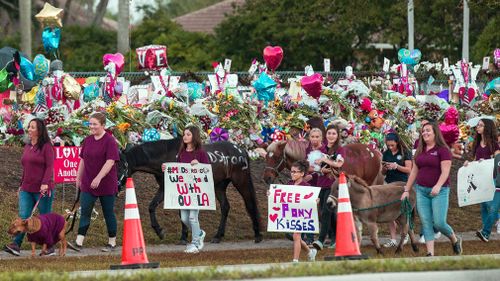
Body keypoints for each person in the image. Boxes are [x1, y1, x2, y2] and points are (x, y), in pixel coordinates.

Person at [401, 122, 462, 256]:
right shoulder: (420, 151)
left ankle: (454, 239)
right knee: (426, 221)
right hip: (421, 191)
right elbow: (414, 172)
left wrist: (438, 185)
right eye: (423, 131)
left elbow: (445, 172)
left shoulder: (443, 150)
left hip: (440, 191)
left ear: (435, 133)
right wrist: (406, 190)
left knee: (439, 223)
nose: (425, 133)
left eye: (428, 130)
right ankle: (430, 254)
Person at [67, 112, 120, 252]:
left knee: (108, 212)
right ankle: (79, 241)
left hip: (106, 183)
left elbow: (110, 162)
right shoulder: (88, 140)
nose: (92, 127)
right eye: (90, 124)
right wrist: (78, 177)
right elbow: (82, 160)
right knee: (85, 211)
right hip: (88, 182)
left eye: (95, 124)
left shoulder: (110, 141)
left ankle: (112, 242)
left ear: (103, 125)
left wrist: (99, 177)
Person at [4, 118, 55, 256]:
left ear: (40, 131)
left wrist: (45, 183)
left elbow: (50, 166)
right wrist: (21, 185)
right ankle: (16, 244)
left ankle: (49, 246)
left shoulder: (46, 147)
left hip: (42, 189)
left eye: (33, 127)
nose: (29, 129)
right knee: (24, 216)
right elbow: (26, 168)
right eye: (29, 127)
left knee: (44, 218)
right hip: (26, 188)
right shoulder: (27, 145)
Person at [163, 125, 209, 253]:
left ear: (194, 136)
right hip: (184, 192)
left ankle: (195, 244)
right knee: (184, 218)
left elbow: (207, 170)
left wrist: (199, 165)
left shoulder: (200, 153)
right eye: (184, 134)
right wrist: (167, 168)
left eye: (188, 134)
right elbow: (177, 169)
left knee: (193, 217)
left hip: (196, 191)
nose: (185, 137)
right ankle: (199, 233)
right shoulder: (181, 153)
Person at [464, 119, 500, 242]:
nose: (477, 127)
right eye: (477, 125)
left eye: (480, 125)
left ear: (487, 128)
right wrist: (469, 163)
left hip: (492, 178)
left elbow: (497, 161)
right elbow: (475, 160)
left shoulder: (494, 144)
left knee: (491, 206)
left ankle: (489, 227)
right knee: (484, 206)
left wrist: (487, 161)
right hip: (480, 178)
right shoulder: (477, 144)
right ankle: (485, 234)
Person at [275, 160, 317, 262]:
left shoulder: (306, 187)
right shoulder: (289, 184)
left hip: (301, 215)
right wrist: (271, 194)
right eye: (291, 171)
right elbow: (282, 196)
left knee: (296, 236)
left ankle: (295, 260)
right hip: (291, 214)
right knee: (297, 237)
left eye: (295, 172)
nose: (292, 173)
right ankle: (310, 252)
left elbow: (312, 202)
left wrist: (316, 201)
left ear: (302, 173)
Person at [312, 125, 344, 251]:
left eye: (333, 133)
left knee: (326, 211)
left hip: (333, 185)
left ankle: (320, 240)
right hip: (321, 183)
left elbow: (339, 163)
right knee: (326, 213)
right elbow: (315, 166)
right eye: (329, 133)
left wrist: (326, 160)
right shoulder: (321, 148)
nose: (331, 136)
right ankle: (335, 238)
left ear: (337, 136)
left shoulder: (340, 150)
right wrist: (321, 169)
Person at [381, 132, 412, 248]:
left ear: (397, 143)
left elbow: (409, 170)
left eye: (392, 145)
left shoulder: (405, 153)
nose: (390, 147)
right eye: (388, 145)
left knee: (402, 212)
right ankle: (393, 239)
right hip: (389, 184)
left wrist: (396, 166)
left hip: (402, 185)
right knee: (389, 213)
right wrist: (385, 168)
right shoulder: (386, 154)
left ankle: (405, 235)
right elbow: (382, 172)